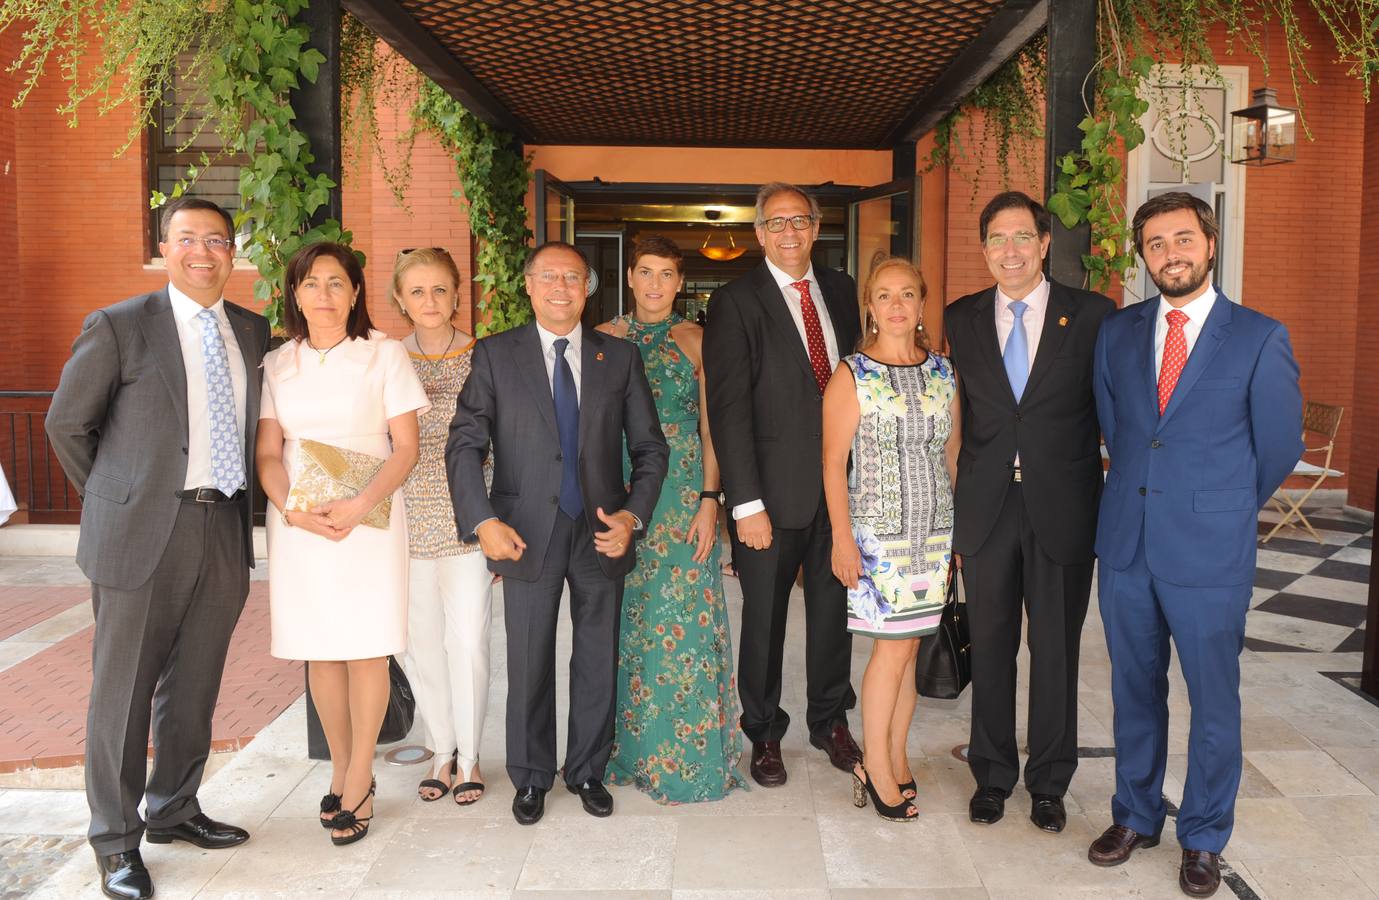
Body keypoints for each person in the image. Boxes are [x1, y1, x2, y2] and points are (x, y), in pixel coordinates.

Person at [46, 197, 268, 900]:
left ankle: (174, 807)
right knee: (123, 694)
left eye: (217, 240)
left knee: (196, 683)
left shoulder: (252, 331)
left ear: (233, 253)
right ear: (164, 247)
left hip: (222, 526)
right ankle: (115, 842)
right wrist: (118, 498)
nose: (203, 251)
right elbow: (66, 426)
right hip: (141, 532)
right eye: (187, 239)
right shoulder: (118, 326)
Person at [1088, 192, 1302, 897]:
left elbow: (1276, 448)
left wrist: (1218, 506)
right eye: (1154, 243)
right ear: (1142, 256)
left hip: (1209, 551)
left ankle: (1204, 835)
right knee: (1132, 692)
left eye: (1181, 238)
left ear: (1208, 244)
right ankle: (1136, 815)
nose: (1169, 253)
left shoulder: (1257, 336)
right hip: (1126, 546)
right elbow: (1119, 431)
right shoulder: (1118, 334)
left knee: (1212, 701)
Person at [446, 241, 669, 826]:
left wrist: (633, 517)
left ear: (589, 287)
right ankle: (531, 775)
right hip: (524, 531)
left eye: (573, 277)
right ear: (528, 285)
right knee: (529, 656)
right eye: (549, 276)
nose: (561, 288)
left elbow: (649, 448)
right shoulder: (495, 355)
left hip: (600, 530)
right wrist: (483, 519)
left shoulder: (617, 358)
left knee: (597, 655)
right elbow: (465, 443)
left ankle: (588, 768)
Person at [944, 191, 1114, 832]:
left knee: (1055, 650)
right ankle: (991, 774)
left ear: (1044, 243)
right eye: (996, 239)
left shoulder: (1093, 315)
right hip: (986, 508)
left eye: (1021, 237)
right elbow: (953, 418)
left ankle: (1049, 781)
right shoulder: (961, 319)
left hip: (1064, 507)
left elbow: (1112, 411)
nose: (1008, 250)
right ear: (983, 248)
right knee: (989, 649)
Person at [256, 242, 428, 846]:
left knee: (366, 648)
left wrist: (360, 504)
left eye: (335, 283)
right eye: (310, 283)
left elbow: (404, 446)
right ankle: (338, 765)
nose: (323, 295)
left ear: (356, 292)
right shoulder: (279, 364)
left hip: (371, 515)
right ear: (294, 294)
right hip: (301, 522)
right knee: (321, 650)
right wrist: (291, 508)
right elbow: (269, 453)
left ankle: (361, 778)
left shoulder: (383, 355)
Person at [704, 181, 863, 787]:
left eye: (799, 220)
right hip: (768, 495)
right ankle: (764, 731)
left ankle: (829, 720)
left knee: (834, 613)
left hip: (841, 492)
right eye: (777, 223)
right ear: (759, 233)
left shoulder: (844, 292)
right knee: (765, 620)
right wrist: (744, 502)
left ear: (816, 227)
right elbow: (727, 409)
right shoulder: (735, 301)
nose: (789, 232)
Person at [597, 234, 746, 804]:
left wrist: (712, 501)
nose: (656, 284)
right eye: (646, 272)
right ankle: (630, 750)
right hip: (622, 489)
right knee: (628, 620)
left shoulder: (698, 341)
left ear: (680, 284)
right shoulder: (603, 339)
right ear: (629, 278)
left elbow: (714, 428)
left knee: (682, 616)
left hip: (683, 494)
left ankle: (688, 755)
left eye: (667, 274)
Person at [822, 257, 959, 822]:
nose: (897, 304)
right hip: (878, 537)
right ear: (870, 309)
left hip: (934, 535)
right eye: (885, 295)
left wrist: (956, 541)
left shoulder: (945, 372)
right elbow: (832, 464)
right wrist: (841, 540)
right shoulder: (852, 373)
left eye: (907, 293)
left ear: (921, 305)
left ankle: (895, 755)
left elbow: (952, 455)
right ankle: (873, 764)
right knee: (891, 649)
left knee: (909, 652)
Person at [389, 247, 494, 807]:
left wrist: (496, 520)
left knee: (469, 641)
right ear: (401, 301)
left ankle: (473, 755)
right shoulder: (384, 357)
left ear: (457, 295)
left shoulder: (487, 355)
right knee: (420, 642)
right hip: (404, 517)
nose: (429, 301)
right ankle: (441, 749)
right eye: (417, 292)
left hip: (467, 517)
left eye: (439, 290)